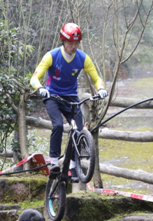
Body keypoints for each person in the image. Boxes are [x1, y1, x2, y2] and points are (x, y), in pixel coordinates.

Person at [29, 23, 108, 178]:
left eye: (76, 43)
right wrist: (40, 88)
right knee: (58, 125)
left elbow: (96, 78)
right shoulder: (51, 56)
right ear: (63, 41)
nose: (74, 46)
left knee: (79, 130)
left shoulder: (83, 58)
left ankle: (72, 166)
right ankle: (53, 163)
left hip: (71, 98)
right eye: (70, 43)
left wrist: (101, 89)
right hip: (52, 96)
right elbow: (34, 78)